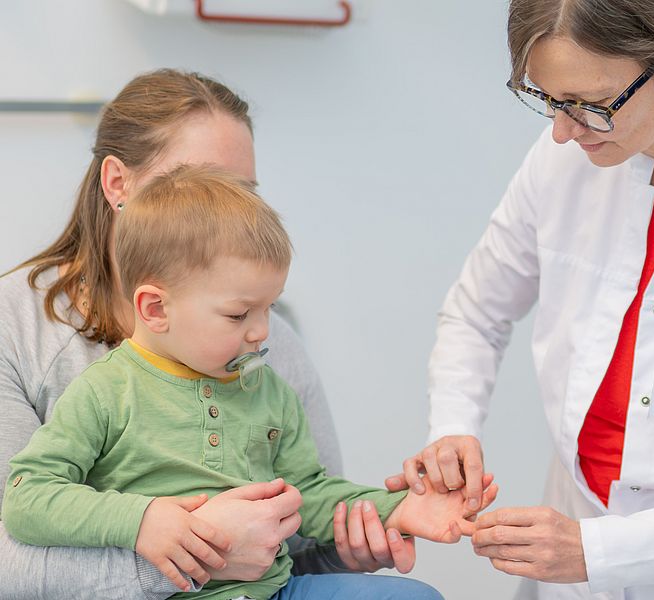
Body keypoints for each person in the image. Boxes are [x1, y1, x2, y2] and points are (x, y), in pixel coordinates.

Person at [386, 0, 654, 598]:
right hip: (567, 557)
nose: (564, 131)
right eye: (549, 100)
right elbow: (477, 312)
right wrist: (453, 427)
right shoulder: (565, 159)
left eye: (591, 106)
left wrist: (597, 550)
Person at [0, 68, 415, 600]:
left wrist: (357, 540)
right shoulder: (19, 334)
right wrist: (201, 554)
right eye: (197, 184)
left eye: (242, 193)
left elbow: (302, 515)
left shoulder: (268, 342)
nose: (226, 211)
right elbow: (11, 553)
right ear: (117, 183)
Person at [3, 166, 497, 600]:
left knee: (414, 597)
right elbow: (27, 496)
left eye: (269, 308)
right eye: (239, 314)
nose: (261, 331)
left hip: (273, 591)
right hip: (161, 596)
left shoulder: (269, 392)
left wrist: (403, 508)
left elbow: (307, 493)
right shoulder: (103, 393)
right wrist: (141, 521)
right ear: (155, 309)